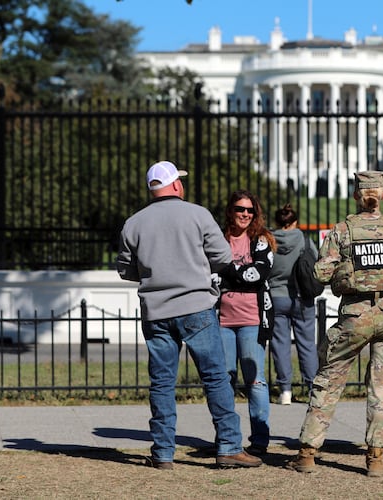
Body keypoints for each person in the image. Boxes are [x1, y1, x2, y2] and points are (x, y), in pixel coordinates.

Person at [116, 161, 262, 469]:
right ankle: (228, 446)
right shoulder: (198, 214)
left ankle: (163, 452)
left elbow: (126, 270)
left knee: (162, 382)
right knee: (215, 378)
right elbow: (222, 258)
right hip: (195, 306)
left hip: (156, 311)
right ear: (176, 185)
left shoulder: (134, 222)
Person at [287, 170, 383, 476]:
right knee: (381, 386)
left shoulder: (342, 231)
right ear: (382, 196)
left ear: (356, 196)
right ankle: (375, 457)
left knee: (330, 380)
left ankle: (307, 452)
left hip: (355, 316)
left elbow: (320, 275)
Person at [218, 189, 276, 456]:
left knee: (255, 380)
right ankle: (228, 440)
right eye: (240, 209)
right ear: (231, 210)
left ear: (255, 213)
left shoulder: (261, 240)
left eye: (249, 210)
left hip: (253, 319)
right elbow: (208, 273)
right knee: (224, 379)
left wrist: (228, 272)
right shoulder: (218, 238)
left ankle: (260, 441)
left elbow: (258, 273)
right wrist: (238, 274)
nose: (244, 214)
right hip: (222, 321)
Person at [269, 203, 319, 405]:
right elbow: (316, 262)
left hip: (276, 297)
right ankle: (311, 387)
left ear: (277, 222)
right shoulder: (304, 240)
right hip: (302, 297)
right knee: (307, 344)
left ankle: (285, 390)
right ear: (295, 221)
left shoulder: (269, 241)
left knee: (279, 345)